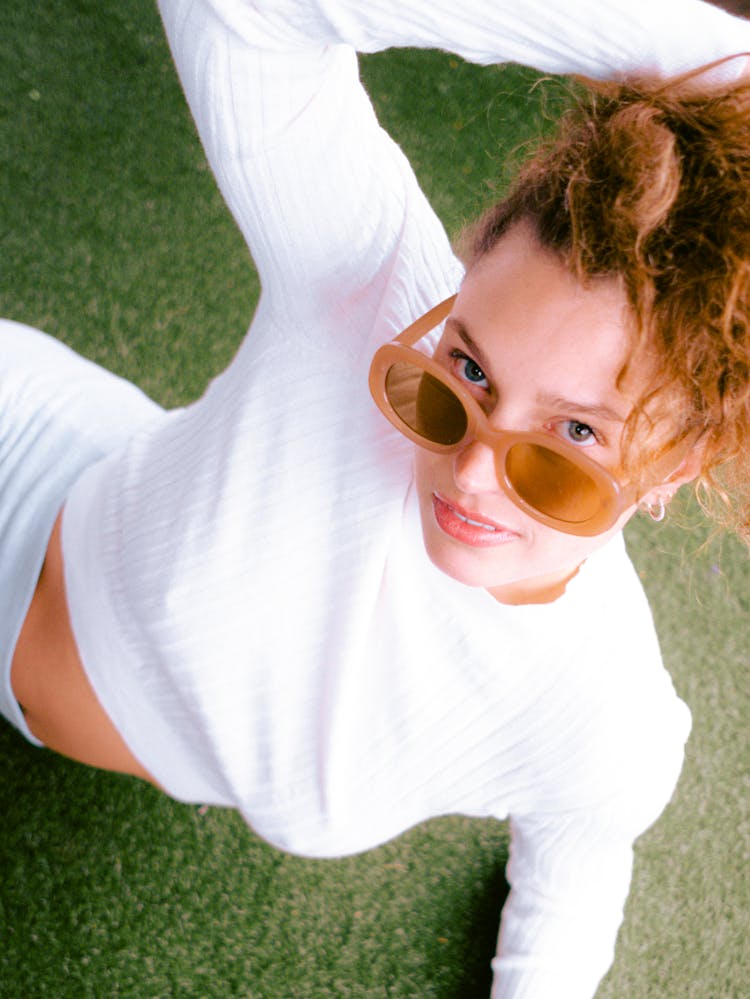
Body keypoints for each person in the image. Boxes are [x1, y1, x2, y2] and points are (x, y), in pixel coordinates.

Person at [4, 1, 750, 995]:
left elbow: (577, 871)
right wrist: (702, 60)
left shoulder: (600, 716)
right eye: (464, 374)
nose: (472, 470)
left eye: (572, 438)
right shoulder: (366, 293)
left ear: (673, 469)